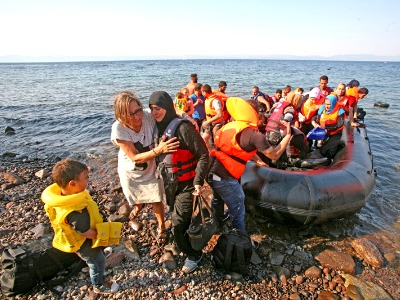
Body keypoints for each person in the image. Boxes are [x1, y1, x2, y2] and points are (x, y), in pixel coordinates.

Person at [208, 97, 291, 234]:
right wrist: (287, 135)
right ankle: (240, 238)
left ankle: (217, 222)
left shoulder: (230, 125)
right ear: (256, 113)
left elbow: (241, 148)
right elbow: (274, 155)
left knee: (218, 198)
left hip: (211, 169)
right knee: (238, 206)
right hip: (224, 176)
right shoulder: (255, 135)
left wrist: (258, 160)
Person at [149, 91, 209, 274]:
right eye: (151, 109)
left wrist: (199, 181)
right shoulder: (158, 127)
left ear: (167, 107)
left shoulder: (183, 129)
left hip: (187, 185)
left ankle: (194, 254)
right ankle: (184, 237)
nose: (154, 113)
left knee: (177, 221)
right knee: (178, 217)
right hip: (170, 184)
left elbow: (204, 155)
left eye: (158, 108)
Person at [41, 159, 119, 295]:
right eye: (86, 177)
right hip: (84, 245)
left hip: (86, 241)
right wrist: (100, 235)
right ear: (73, 183)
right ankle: (98, 284)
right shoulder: (75, 212)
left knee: (97, 254)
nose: (88, 179)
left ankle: (99, 254)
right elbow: (83, 232)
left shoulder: (64, 197)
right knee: (97, 263)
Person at [111, 91, 180, 242]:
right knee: (134, 194)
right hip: (131, 170)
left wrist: (186, 121)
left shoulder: (148, 116)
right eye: (130, 114)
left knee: (156, 198)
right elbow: (134, 157)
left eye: (138, 110)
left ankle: (161, 226)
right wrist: (159, 150)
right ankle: (138, 205)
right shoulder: (118, 128)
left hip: (151, 167)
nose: (137, 117)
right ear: (121, 115)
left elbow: (169, 113)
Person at [201, 84, 224, 150]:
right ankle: (210, 152)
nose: (202, 94)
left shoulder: (215, 101)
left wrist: (208, 121)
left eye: (202, 92)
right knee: (204, 139)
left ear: (204, 92)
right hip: (210, 124)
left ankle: (219, 154)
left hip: (217, 124)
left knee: (217, 141)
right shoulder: (207, 99)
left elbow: (220, 114)